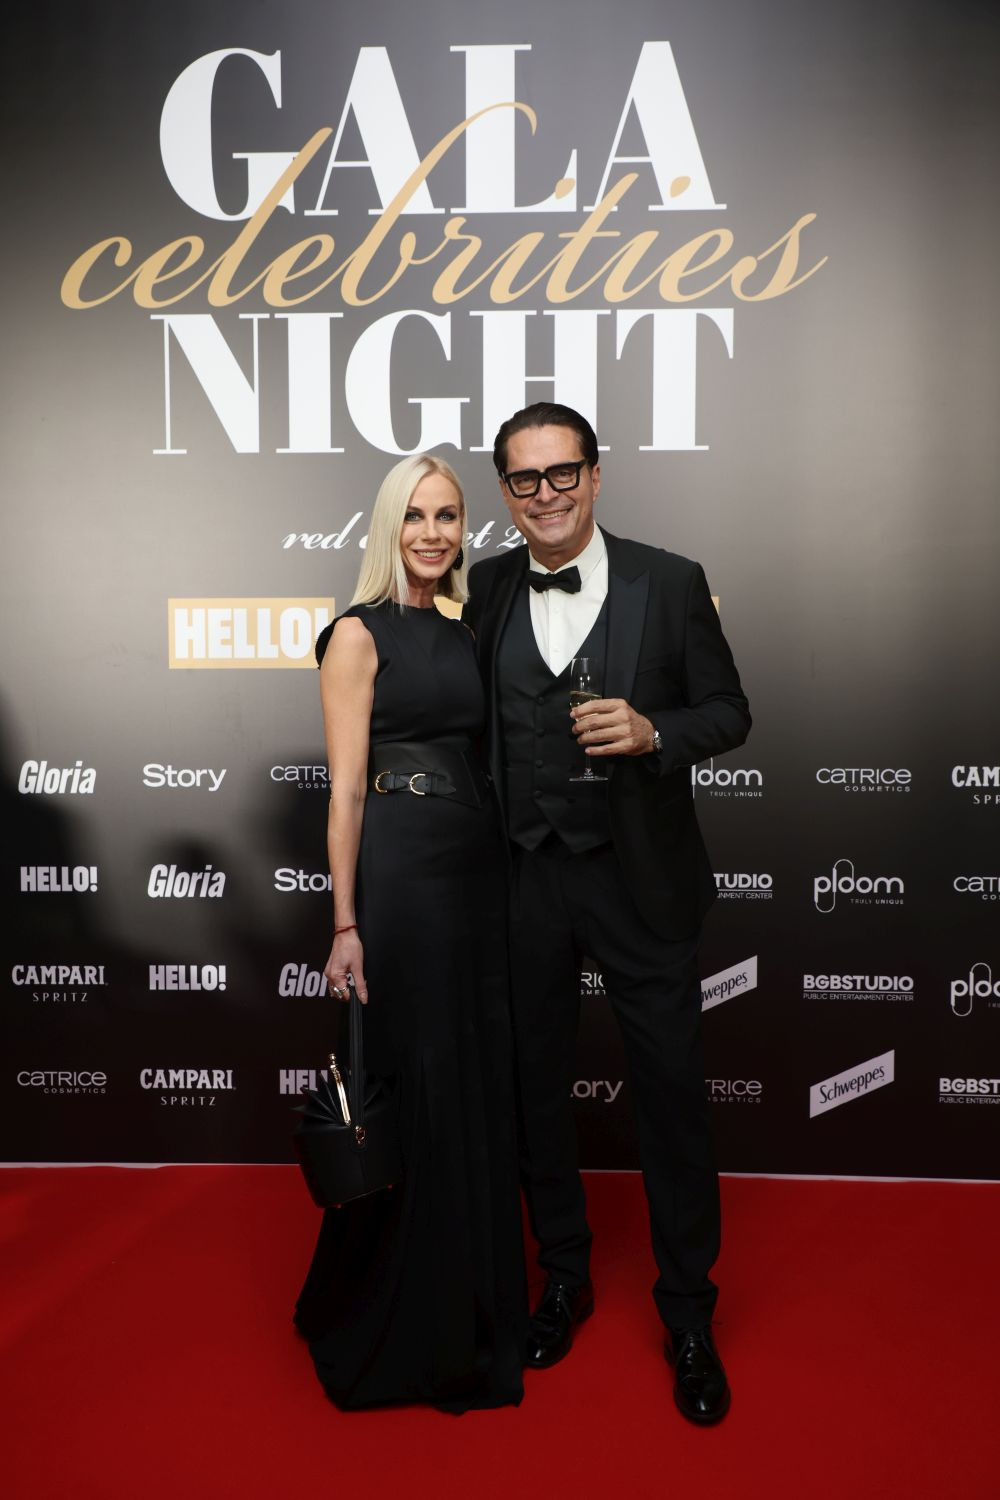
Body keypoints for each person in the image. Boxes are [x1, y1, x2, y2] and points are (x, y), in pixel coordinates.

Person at [464, 402, 751, 1425]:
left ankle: (688, 1313)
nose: (545, 494)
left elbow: (730, 712)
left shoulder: (668, 581)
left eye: (562, 472)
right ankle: (564, 1277)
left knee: (669, 1095)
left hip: (640, 880)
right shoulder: (484, 588)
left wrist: (653, 731)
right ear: (506, 492)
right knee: (534, 1090)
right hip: (522, 878)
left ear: (595, 474)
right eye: (524, 479)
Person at [294, 454, 527, 1412]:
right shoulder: (356, 634)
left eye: (449, 516)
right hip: (400, 870)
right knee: (418, 1069)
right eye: (416, 516)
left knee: (469, 1070)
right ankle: (403, 1315)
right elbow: (346, 790)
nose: (433, 533)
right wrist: (346, 921)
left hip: (474, 865)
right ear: (389, 525)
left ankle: (470, 1302)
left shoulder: (467, 630)